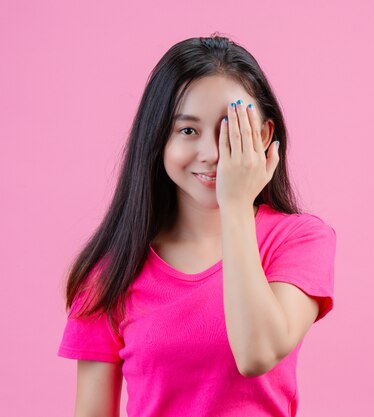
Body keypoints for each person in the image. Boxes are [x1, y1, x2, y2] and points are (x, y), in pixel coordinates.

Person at [57, 34, 337, 417]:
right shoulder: (110, 273)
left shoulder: (299, 240)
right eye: (187, 131)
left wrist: (235, 205)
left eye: (230, 130)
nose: (212, 154)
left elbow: (257, 353)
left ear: (265, 135)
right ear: (159, 140)